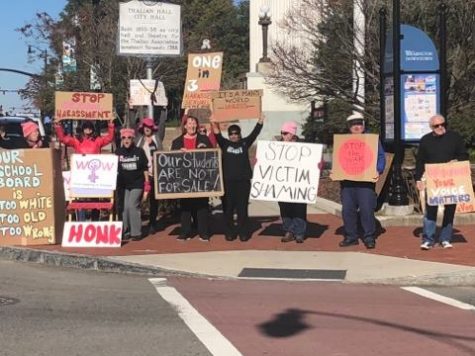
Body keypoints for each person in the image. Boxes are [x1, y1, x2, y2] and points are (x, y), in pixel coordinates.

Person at [415, 114, 468, 250]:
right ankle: (428, 239)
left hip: (451, 180)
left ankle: (445, 238)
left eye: (443, 124)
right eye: (436, 126)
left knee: (449, 210)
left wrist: (456, 160)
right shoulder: (425, 140)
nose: (440, 127)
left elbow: (464, 154)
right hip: (433, 180)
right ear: (431, 127)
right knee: (430, 209)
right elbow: (420, 161)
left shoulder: (455, 137)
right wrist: (418, 179)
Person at [210, 114, 264, 241]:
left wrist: (260, 121)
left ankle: (243, 232)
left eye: (236, 133)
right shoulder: (224, 143)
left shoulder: (245, 143)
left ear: (239, 134)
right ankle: (229, 232)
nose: (233, 136)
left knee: (242, 209)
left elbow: (254, 133)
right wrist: (213, 122)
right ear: (228, 135)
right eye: (231, 134)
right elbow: (217, 133)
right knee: (228, 209)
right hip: (228, 182)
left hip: (243, 182)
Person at [337, 112, 386, 249]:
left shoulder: (372, 140)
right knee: (348, 210)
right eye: (353, 124)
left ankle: (369, 237)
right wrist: (334, 171)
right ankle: (351, 236)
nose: (357, 127)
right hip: (347, 183)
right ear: (349, 126)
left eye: (359, 123)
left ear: (363, 125)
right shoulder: (343, 141)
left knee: (366, 210)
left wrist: (378, 169)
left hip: (366, 183)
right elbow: (338, 159)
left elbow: (381, 157)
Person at [171, 115, 213, 241]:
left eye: (194, 123)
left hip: (201, 178)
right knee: (185, 207)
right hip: (185, 179)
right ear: (185, 126)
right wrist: (178, 153)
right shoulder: (177, 142)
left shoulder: (204, 139)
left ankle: (203, 232)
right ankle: (185, 232)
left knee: (202, 206)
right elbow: (170, 160)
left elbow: (212, 157)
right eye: (189, 123)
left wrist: (204, 150)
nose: (192, 126)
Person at [278, 121, 309, 243]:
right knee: (285, 208)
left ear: (292, 134)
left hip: (299, 183)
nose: (283, 136)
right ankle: (289, 231)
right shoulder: (276, 148)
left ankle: (299, 232)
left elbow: (315, 161)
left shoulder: (304, 147)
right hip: (282, 183)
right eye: (282, 133)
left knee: (299, 208)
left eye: (285, 133)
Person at [116, 128, 150, 241]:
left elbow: (145, 169)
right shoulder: (118, 152)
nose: (126, 140)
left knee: (132, 205)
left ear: (133, 139)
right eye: (124, 138)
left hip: (137, 183)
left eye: (129, 138)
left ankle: (136, 232)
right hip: (123, 185)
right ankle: (125, 231)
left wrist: (147, 185)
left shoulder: (139, 151)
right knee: (124, 208)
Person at [135, 117, 164, 234]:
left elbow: (162, 124)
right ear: (143, 128)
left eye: (149, 127)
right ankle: (138, 223)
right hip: (142, 174)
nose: (147, 129)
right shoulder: (139, 140)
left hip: (155, 173)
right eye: (145, 126)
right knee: (140, 199)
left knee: (153, 200)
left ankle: (153, 223)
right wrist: (132, 110)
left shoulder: (157, 139)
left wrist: (163, 111)